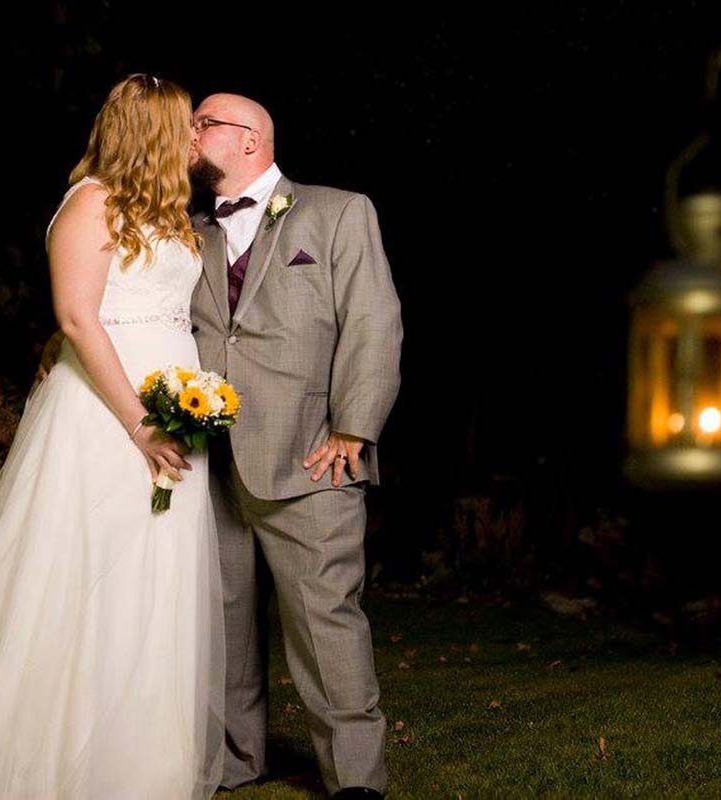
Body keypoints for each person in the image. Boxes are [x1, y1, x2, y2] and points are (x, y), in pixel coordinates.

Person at [0, 74, 226, 799]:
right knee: (82, 575)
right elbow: (77, 318)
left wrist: (185, 406)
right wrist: (137, 422)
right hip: (104, 416)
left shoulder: (165, 211)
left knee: (155, 578)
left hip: (172, 413)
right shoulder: (90, 202)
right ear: (154, 131)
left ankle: (143, 764)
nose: (197, 138)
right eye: (187, 125)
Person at [188, 93, 402, 799]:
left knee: (325, 621)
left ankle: (356, 782)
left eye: (202, 123)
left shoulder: (338, 211)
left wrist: (354, 426)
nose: (189, 134)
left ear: (249, 139)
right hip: (209, 461)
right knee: (222, 627)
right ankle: (236, 761)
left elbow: (373, 321)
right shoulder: (192, 230)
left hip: (311, 455)